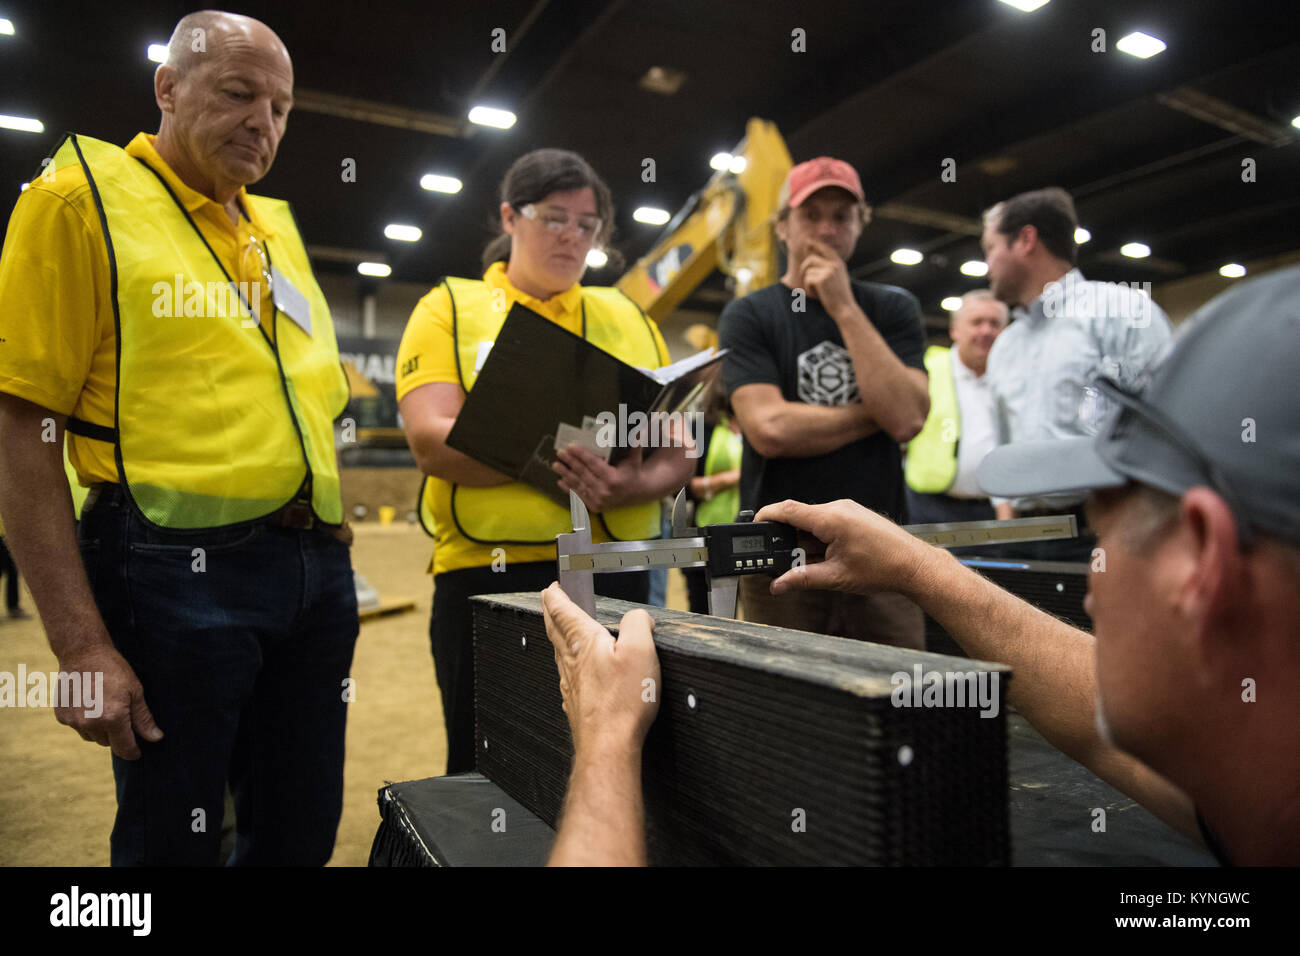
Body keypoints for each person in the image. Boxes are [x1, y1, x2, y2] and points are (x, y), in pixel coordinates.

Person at [541, 266, 1300, 866]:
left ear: (1200, 562)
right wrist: (918, 567)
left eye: (1104, 527)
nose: (1092, 581)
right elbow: (1104, 727)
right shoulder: (1257, 788)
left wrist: (607, 742)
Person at [0, 11, 358, 865]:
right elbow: (21, 426)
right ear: (168, 87)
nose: (261, 122)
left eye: (279, 108)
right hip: (167, 570)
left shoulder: (274, 230)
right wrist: (82, 645)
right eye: (239, 94)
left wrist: (331, 519)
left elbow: (304, 396)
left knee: (297, 831)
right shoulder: (81, 199)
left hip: (315, 575)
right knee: (177, 839)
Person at [397, 149, 694, 774]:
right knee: (490, 764)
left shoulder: (629, 317)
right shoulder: (447, 309)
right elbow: (430, 439)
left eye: (587, 225)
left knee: (620, 756)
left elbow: (680, 449)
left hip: (617, 573)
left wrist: (626, 483)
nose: (572, 236)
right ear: (510, 216)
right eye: (554, 217)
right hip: (489, 573)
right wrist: (561, 458)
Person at [718, 156, 929, 648]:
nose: (827, 228)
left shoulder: (892, 307)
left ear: (860, 225)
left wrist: (842, 305)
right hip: (780, 546)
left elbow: (907, 418)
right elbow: (769, 430)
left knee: (906, 695)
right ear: (782, 227)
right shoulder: (749, 314)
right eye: (811, 215)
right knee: (790, 699)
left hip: (884, 541)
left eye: (841, 215)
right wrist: (874, 414)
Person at [981, 187, 1172, 559]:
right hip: (1024, 537)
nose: (988, 265)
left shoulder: (1122, 311)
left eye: (990, 249)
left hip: (1105, 533)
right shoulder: (1006, 345)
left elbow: (1163, 430)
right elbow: (1002, 441)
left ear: (1025, 239)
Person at [904, 290, 1007, 531]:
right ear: (954, 330)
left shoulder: (1015, 377)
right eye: (976, 322)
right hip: (931, 509)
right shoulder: (926, 370)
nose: (986, 331)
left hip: (994, 511)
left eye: (995, 323)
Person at [683, 378, 743, 614]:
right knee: (706, 616)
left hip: (753, 531)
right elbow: (684, 487)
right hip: (707, 533)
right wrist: (732, 479)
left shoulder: (758, 424)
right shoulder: (700, 428)